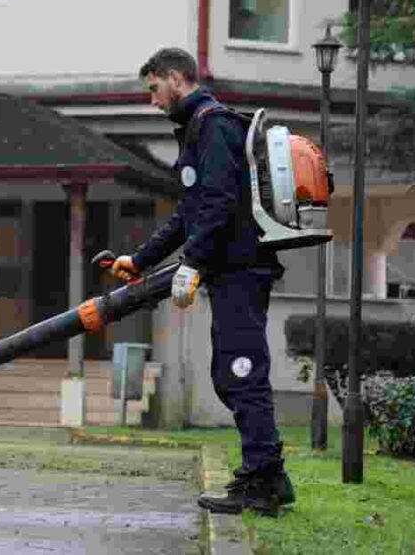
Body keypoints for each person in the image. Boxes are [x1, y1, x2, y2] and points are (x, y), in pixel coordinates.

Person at [110, 47, 295, 515]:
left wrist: (191, 262)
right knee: (232, 373)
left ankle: (263, 481)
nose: (152, 100)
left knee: (241, 372)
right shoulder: (201, 127)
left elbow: (214, 203)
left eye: (154, 88)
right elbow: (191, 212)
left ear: (176, 78)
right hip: (234, 269)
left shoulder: (211, 125)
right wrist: (141, 259)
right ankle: (269, 476)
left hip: (241, 269)